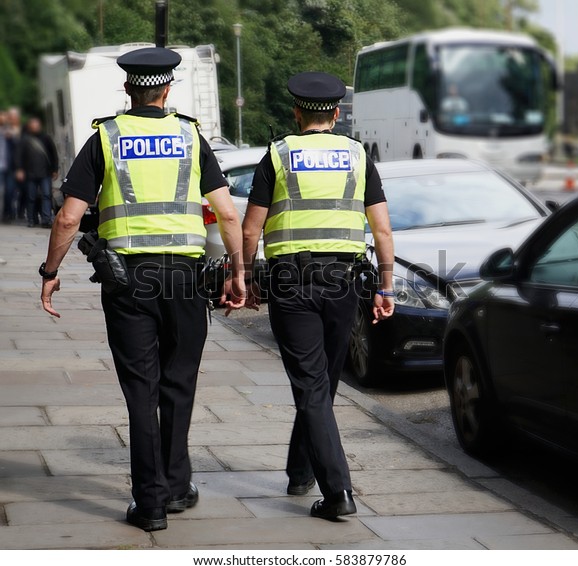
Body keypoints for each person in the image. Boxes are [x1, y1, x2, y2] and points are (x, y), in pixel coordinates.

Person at [39, 47, 246, 531]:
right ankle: (177, 487)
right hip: (185, 279)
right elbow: (229, 213)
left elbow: (69, 217)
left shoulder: (104, 139)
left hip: (128, 281)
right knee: (179, 384)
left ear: (128, 88)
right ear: (167, 89)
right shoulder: (192, 136)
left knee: (140, 391)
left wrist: (50, 273)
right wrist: (240, 272)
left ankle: (150, 505)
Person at [241, 71, 395, 520]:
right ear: (334, 113)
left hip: (292, 284)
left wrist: (245, 277)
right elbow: (382, 228)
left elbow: (252, 227)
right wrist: (385, 285)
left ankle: (338, 494)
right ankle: (299, 470)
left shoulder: (279, 155)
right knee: (320, 385)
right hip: (344, 284)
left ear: (297, 111)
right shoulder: (357, 156)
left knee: (312, 386)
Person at [15, 116, 58, 228]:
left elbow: (53, 154)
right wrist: (19, 169)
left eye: (36, 125)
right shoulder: (25, 140)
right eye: (33, 125)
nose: (35, 127)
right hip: (30, 174)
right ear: (29, 127)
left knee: (46, 196)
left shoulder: (46, 138)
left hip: (45, 173)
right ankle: (31, 219)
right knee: (31, 197)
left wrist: (54, 169)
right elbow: (19, 155)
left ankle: (46, 219)